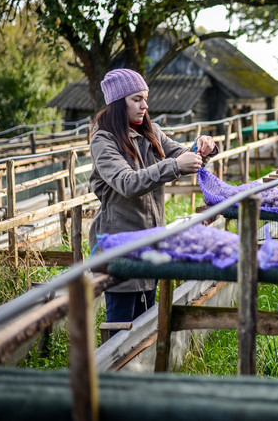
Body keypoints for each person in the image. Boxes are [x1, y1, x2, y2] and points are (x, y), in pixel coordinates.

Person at [89, 68, 217, 331]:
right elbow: (127, 183)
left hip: (151, 242)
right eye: (137, 99)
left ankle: (140, 373)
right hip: (121, 248)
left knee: (145, 330)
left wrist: (203, 147)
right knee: (120, 334)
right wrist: (174, 166)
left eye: (145, 98)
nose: (144, 105)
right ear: (117, 102)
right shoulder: (103, 140)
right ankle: (113, 374)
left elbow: (182, 153)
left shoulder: (152, 132)